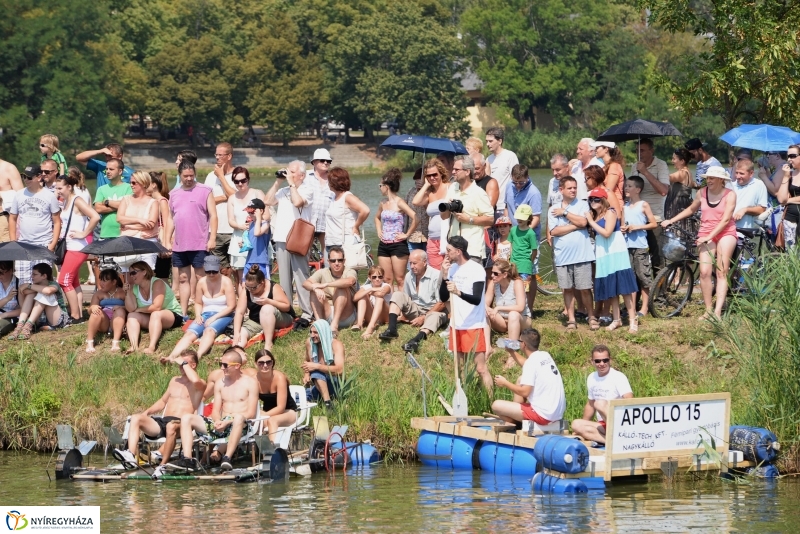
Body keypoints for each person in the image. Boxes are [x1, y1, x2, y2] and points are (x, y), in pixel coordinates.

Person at [114, 350, 206, 475]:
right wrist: (147, 412)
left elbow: (195, 381)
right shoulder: (174, 380)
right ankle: (130, 454)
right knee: (136, 418)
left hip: (182, 424)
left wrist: (183, 363)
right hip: (163, 422)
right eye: (179, 364)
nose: (180, 366)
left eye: (184, 363)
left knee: (170, 426)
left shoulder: (199, 384)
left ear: (193, 365)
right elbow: (163, 401)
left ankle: (163, 465)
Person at [662, 166, 737, 319]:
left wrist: (710, 236)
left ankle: (717, 312)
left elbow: (726, 220)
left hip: (725, 232)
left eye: (712, 178)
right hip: (705, 231)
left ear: (721, 180)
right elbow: (691, 209)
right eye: (707, 178)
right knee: (704, 272)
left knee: (722, 271)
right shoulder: (701, 192)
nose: (708, 180)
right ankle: (708, 309)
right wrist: (671, 220)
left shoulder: (730, 195)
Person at [175, 350, 258, 471]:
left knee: (239, 418)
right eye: (221, 364)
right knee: (187, 418)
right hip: (221, 424)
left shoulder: (251, 383)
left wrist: (228, 422)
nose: (222, 368)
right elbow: (215, 411)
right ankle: (188, 459)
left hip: (240, 424)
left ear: (237, 366)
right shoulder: (220, 383)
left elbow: (250, 413)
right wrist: (218, 420)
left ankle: (227, 458)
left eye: (225, 365)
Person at [264, 160, 315, 329]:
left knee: (301, 276)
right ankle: (288, 311)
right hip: (281, 238)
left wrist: (292, 185)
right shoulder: (283, 189)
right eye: (288, 171)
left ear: (302, 174)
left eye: (292, 172)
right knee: (284, 278)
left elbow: (298, 202)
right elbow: (268, 201)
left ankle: (307, 313)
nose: (289, 175)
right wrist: (278, 181)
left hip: (299, 238)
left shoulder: (307, 189)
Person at [440, 235, 492, 392]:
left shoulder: (476, 269)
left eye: (449, 250)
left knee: (481, 369)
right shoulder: (452, 268)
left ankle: (491, 402)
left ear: (458, 251)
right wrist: (444, 277)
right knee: (459, 368)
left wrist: (458, 292)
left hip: (473, 325)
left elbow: (476, 299)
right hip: (456, 325)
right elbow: (443, 297)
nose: (446, 253)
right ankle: (463, 399)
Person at [166, 160, 217, 316]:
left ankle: (202, 309)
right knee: (182, 278)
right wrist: (167, 240)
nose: (189, 178)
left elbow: (213, 215)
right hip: (180, 244)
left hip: (199, 242)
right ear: (180, 175)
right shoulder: (173, 194)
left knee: (201, 276)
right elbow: (170, 218)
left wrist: (212, 238)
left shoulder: (205, 190)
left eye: (191, 175)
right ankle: (183, 312)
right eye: (185, 176)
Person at [585, 187, 639, 333]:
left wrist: (590, 221)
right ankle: (616, 319)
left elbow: (607, 233)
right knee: (611, 288)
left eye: (596, 199)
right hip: (603, 252)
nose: (593, 202)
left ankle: (633, 319)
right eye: (591, 199)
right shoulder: (594, 215)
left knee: (624, 288)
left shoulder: (611, 212)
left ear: (603, 200)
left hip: (615, 250)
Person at [165, 256, 236, 363]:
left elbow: (231, 306)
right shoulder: (202, 282)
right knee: (189, 333)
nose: (211, 274)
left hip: (223, 314)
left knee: (209, 330)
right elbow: (198, 303)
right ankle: (171, 356)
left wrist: (214, 318)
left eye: (214, 271)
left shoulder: (226, 281)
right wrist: (198, 315)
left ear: (219, 268)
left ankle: (197, 356)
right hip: (206, 313)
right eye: (208, 271)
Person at [491, 328, 566, 426]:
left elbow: (525, 392)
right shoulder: (545, 355)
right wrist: (511, 352)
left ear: (524, 344)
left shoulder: (531, 363)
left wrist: (505, 383)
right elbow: (527, 364)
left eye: (519, 341)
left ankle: (515, 421)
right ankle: (516, 417)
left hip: (544, 416)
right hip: (556, 414)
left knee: (496, 405)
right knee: (521, 379)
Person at [379, 249, 448, 352]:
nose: (411, 266)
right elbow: (406, 298)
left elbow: (441, 303)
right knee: (398, 294)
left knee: (435, 316)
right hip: (416, 309)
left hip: (434, 310)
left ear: (424, 262)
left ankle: (416, 339)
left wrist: (424, 317)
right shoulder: (409, 275)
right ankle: (391, 329)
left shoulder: (436, 275)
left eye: (414, 263)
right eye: (410, 263)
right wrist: (404, 314)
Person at [55, 174, 100, 321]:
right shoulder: (66, 201)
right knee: (73, 281)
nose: (58, 191)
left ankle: (74, 315)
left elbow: (95, 216)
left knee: (64, 281)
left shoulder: (77, 200)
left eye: (60, 188)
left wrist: (84, 233)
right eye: (56, 188)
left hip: (77, 247)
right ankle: (79, 313)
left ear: (69, 187)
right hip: (69, 246)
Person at [8, 165, 61, 284]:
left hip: (43, 244)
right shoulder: (19, 194)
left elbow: (57, 221)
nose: (26, 180)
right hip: (23, 244)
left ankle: (44, 303)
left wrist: (52, 244)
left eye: (29, 177)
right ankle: (24, 304)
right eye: (23, 177)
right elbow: (12, 218)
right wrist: (13, 241)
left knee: (42, 280)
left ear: (39, 177)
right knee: (22, 282)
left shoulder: (49, 196)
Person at [571, 345, 633, 444]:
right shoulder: (592, 377)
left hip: (620, 422)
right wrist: (580, 429)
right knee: (576, 424)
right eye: (598, 361)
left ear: (610, 360)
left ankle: (621, 435)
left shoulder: (618, 377)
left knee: (599, 403)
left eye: (605, 360)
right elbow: (590, 404)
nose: (602, 364)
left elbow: (630, 401)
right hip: (603, 424)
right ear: (592, 362)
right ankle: (612, 442)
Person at [441, 155, 495, 261]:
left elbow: (490, 219)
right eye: (453, 169)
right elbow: (443, 216)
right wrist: (448, 207)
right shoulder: (453, 188)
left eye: (456, 169)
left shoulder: (479, 193)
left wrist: (469, 219)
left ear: (467, 172)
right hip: (453, 250)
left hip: (472, 251)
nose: (453, 172)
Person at [124, 261, 184, 354]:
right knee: (132, 315)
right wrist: (127, 293)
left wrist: (139, 309)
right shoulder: (134, 288)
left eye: (133, 273)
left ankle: (151, 347)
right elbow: (131, 309)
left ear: (144, 272)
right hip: (151, 317)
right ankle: (134, 346)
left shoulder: (157, 282)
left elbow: (157, 307)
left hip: (171, 314)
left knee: (156, 314)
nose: (131, 276)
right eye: (130, 273)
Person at [233, 265, 294, 351]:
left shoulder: (274, 287)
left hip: (281, 317)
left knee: (266, 308)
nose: (250, 290)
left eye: (253, 287)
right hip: (257, 320)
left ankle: (268, 344)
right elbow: (239, 312)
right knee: (241, 334)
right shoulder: (246, 290)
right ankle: (236, 350)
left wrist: (269, 301)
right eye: (247, 286)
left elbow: (287, 307)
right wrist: (236, 333)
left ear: (262, 283)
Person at [485, 259, 531, 369]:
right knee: (484, 311)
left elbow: (520, 307)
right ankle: (488, 348)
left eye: (496, 273)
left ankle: (512, 353)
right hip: (503, 321)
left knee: (513, 314)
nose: (492, 276)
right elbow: (485, 303)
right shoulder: (493, 283)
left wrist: (498, 307)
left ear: (505, 274)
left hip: (522, 320)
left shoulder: (517, 283)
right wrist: (488, 309)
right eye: (492, 272)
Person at [375, 168, 417, 289]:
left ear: (386, 186)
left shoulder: (399, 202)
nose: (379, 188)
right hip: (384, 244)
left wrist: (407, 234)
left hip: (398, 244)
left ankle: (402, 305)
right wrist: (379, 230)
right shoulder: (383, 203)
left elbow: (415, 217)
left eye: (380, 185)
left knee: (400, 279)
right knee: (387, 279)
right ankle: (388, 306)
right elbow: (377, 218)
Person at [622, 176, 657, 317]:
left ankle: (644, 308)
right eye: (626, 186)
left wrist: (637, 227)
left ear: (638, 189)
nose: (626, 188)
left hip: (640, 246)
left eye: (629, 186)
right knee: (630, 276)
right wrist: (624, 228)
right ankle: (631, 308)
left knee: (643, 276)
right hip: (627, 246)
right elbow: (623, 224)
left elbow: (653, 224)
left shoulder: (643, 205)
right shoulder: (624, 206)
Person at [302, 246, 358, 335]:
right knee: (313, 290)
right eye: (333, 260)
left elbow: (350, 281)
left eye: (340, 260)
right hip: (328, 312)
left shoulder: (350, 271)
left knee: (340, 287)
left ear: (344, 261)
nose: (336, 263)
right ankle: (320, 325)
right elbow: (305, 283)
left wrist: (326, 284)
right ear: (328, 261)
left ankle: (334, 326)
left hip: (346, 314)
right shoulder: (322, 272)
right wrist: (315, 288)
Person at [7, 263, 69, 340]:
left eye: (34, 274)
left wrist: (28, 285)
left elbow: (48, 291)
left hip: (57, 319)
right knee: (31, 295)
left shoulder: (53, 284)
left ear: (44, 276)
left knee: (45, 293)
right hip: (40, 320)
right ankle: (20, 325)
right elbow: (23, 291)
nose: (31, 277)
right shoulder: (35, 285)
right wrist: (29, 288)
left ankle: (28, 326)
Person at [226, 166, 265, 284]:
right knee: (240, 277)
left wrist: (256, 221)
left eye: (243, 180)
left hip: (257, 238)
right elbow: (231, 220)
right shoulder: (232, 198)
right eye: (237, 181)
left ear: (248, 180)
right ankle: (243, 300)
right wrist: (240, 226)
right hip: (239, 238)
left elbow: (267, 215)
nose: (240, 184)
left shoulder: (258, 193)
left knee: (258, 274)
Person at [115, 171, 159, 273]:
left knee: (146, 275)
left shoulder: (153, 202)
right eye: (131, 182)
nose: (131, 185)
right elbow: (119, 218)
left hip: (146, 242)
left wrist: (127, 225)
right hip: (128, 242)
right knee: (128, 276)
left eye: (134, 183)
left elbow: (150, 225)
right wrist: (139, 220)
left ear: (143, 183)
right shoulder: (126, 199)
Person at [203, 143, 236, 276]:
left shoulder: (238, 174)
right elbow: (204, 200)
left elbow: (236, 197)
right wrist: (223, 197)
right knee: (222, 269)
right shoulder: (211, 176)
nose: (217, 158)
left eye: (220, 155)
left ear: (229, 156)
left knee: (236, 268)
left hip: (233, 229)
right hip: (215, 230)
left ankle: (239, 295)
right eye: (216, 154)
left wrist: (221, 177)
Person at [253, 349, 297, 447]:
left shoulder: (279, 378)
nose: (265, 365)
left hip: (288, 411)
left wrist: (264, 415)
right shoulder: (254, 380)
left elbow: (281, 407)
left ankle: (271, 449)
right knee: (254, 422)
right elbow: (252, 402)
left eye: (268, 362)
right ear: (255, 363)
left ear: (272, 363)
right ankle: (256, 450)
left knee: (272, 421)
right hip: (267, 413)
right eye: (261, 363)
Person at [411, 158, 450, 269]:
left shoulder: (450, 187)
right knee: (434, 272)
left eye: (435, 174)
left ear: (441, 173)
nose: (432, 178)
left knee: (448, 271)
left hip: (447, 238)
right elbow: (416, 201)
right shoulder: (429, 193)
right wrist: (426, 185)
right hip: (432, 239)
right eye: (428, 176)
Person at [324, 167, 370, 258]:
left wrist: (356, 226)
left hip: (345, 243)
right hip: (331, 243)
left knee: (348, 271)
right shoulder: (333, 197)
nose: (327, 183)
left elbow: (365, 210)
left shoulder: (347, 197)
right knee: (330, 272)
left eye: (329, 181)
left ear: (334, 182)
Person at [302, 319, 345, 409]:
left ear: (323, 332)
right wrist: (306, 374)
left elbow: (340, 370)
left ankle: (328, 404)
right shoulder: (310, 343)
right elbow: (307, 361)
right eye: (311, 332)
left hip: (335, 383)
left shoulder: (336, 345)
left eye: (315, 333)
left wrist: (317, 366)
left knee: (316, 371)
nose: (312, 335)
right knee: (299, 396)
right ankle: (317, 401)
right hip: (318, 383)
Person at [85, 268, 127, 353]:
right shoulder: (99, 293)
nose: (101, 283)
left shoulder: (122, 292)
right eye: (101, 280)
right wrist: (93, 308)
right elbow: (89, 310)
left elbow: (131, 308)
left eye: (104, 281)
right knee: (96, 312)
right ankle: (89, 342)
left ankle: (115, 342)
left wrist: (121, 307)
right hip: (104, 323)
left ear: (114, 282)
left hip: (117, 321)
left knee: (120, 311)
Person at [93, 158, 133, 243]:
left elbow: (130, 206)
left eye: (111, 169)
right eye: (106, 169)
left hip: (124, 233)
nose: (107, 171)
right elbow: (98, 209)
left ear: (120, 171)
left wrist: (108, 203)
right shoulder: (101, 189)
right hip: (105, 234)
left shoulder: (129, 188)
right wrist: (120, 206)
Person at [509, 204, 539, 310]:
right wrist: (510, 259)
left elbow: (534, 250)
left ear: (529, 218)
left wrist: (529, 261)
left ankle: (526, 311)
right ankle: (514, 309)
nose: (520, 219)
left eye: (523, 218)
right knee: (512, 288)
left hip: (525, 265)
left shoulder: (531, 233)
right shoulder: (513, 230)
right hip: (513, 264)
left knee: (525, 290)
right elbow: (511, 244)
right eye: (518, 217)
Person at [308, 148, 334, 262]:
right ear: (314, 162)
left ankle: (328, 275)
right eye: (323, 160)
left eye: (329, 161)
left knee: (328, 253)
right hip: (308, 221)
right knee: (304, 253)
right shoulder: (305, 176)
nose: (326, 163)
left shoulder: (333, 178)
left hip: (327, 222)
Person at [485, 127, 519, 217]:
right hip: (491, 206)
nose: (487, 144)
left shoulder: (510, 156)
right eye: (486, 141)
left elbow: (516, 180)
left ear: (500, 141)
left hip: (505, 207)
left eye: (490, 141)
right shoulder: (488, 159)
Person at [352, 265, 391, 339]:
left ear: (383, 277)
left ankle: (371, 327)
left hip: (385, 316)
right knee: (362, 297)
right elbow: (355, 298)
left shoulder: (386, 286)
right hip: (373, 315)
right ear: (369, 277)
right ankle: (359, 324)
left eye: (380, 277)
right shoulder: (367, 287)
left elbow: (381, 294)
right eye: (374, 277)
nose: (377, 279)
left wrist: (369, 292)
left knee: (379, 298)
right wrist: (370, 290)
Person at [147, 172, 174, 280]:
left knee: (162, 275)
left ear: (153, 185)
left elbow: (167, 222)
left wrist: (165, 243)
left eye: (146, 183)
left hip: (161, 239)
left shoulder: (162, 201)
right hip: (154, 239)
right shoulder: (151, 201)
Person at [664, 148, 697, 234]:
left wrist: (648, 172)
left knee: (677, 232)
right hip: (682, 205)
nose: (672, 161)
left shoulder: (682, 173)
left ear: (682, 161)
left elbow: (668, 178)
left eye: (674, 159)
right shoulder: (688, 172)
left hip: (678, 207)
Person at [731, 159, 769, 229]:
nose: (738, 176)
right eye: (736, 173)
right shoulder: (730, 185)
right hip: (727, 229)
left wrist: (745, 210)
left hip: (743, 230)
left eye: (741, 173)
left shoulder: (759, 185)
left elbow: (762, 209)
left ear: (751, 173)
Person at [777, 144, 800, 248]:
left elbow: (786, 200)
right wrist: (786, 176)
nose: (789, 159)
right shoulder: (790, 174)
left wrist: (789, 200)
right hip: (790, 218)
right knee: (791, 254)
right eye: (788, 156)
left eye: (793, 156)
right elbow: (781, 199)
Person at [242, 198, 271, 276]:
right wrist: (244, 244)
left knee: (263, 284)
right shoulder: (251, 224)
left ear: (261, 211)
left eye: (252, 211)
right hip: (250, 259)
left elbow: (257, 233)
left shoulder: (266, 224)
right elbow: (252, 240)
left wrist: (258, 218)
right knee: (246, 283)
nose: (250, 214)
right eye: (248, 211)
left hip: (261, 261)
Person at [593, 141, 625, 209]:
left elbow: (608, 190)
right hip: (606, 205)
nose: (595, 150)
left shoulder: (614, 166)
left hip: (615, 206)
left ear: (606, 149)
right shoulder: (605, 167)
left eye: (597, 148)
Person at [404, 169, 429, 253]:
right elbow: (404, 209)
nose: (418, 181)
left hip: (428, 235)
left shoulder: (430, 192)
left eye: (421, 178)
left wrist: (424, 191)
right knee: (413, 262)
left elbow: (430, 211)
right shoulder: (411, 192)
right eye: (417, 179)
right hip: (413, 235)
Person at [0, 261, 20, 337]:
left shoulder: (19, 284)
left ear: (11, 270)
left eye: (1, 272)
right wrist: (7, 298)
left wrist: (4, 315)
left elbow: (24, 310)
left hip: (10, 317)